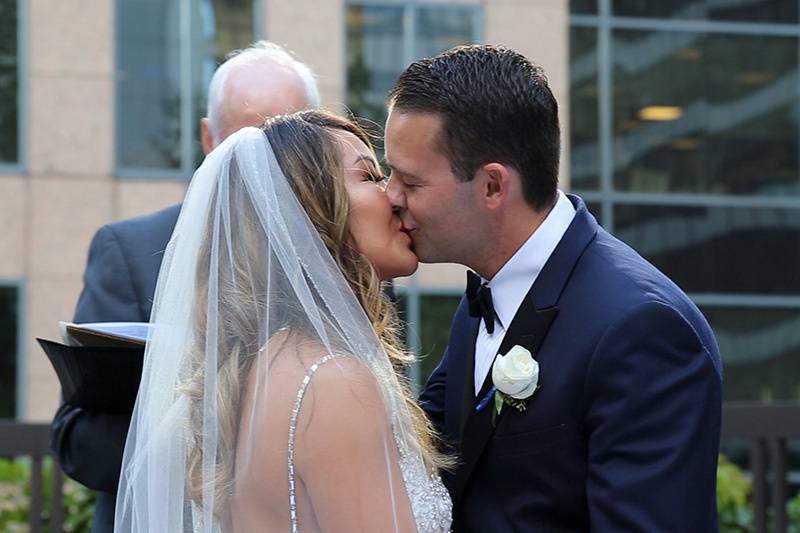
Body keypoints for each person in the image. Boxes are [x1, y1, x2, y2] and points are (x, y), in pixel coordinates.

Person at [385, 44, 723, 532]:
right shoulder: (485, 291)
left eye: (410, 182)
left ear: (493, 187)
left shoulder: (644, 329)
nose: (390, 196)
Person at [113, 111, 453, 532]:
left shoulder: (258, 371)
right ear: (309, 211)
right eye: (370, 177)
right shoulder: (333, 383)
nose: (394, 196)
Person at [50, 41, 320, 533]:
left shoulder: (344, 264)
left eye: (286, 143)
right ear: (207, 138)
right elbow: (77, 440)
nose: (263, 164)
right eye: (245, 141)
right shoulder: (128, 251)